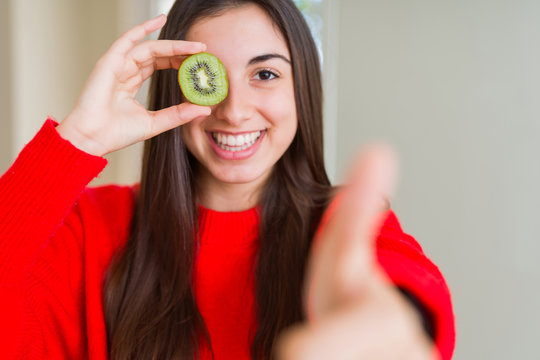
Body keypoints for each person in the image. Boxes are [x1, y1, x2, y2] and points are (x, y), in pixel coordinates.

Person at [0, 0, 455, 359]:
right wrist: (75, 141)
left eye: (265, 73)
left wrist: (393, 319)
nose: (234, 111)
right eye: (211, 77)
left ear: (303, 90)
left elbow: (406, 292)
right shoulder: (91, 226)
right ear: (175, 86)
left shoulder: (345, 229)